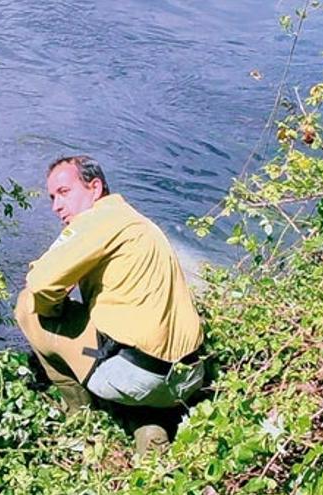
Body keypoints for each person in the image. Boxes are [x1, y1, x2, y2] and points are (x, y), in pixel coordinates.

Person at [14, 155, 205, 458]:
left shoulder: (96, 220)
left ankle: (82, 416)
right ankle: (149, 419)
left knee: (28, 306)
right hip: (190, 375)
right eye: (52, 198)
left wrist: (54, 311)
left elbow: (40, 282)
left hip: (140, 377)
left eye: (64, 192)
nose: (56, 206)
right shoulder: (135, 220)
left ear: (94, 187)